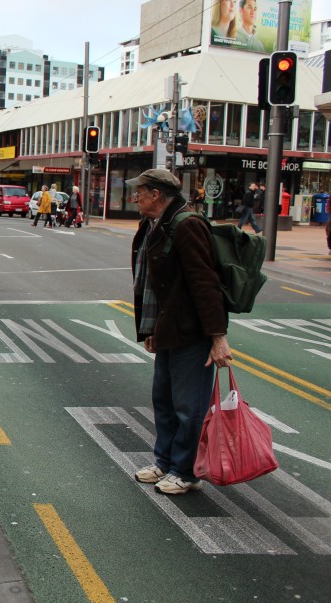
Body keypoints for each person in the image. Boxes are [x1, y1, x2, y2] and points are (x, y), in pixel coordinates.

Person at [128, 169, 232, 496]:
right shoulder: (152, 225)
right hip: (168, 328)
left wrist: (217, 337)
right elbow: (151, 285)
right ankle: (165, 461)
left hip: (191, 332)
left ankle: (185, 471)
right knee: (164, 400)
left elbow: (205, 284)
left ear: (156, 194)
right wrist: (151, 328)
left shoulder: (187, 225)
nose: (134, 197)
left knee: (189, 407)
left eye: (139, 192)